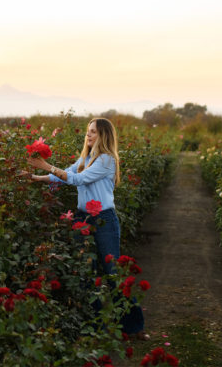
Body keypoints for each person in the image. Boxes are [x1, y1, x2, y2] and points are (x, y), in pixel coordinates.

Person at [19, 117, 148, 339]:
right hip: (84, 218)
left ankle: (133, 327)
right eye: (88, 131)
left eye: (93, 132)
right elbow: (64, 176)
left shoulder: (106, 160)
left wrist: (47, 165)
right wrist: (34, 176)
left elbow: (77, 180)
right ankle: (96, 327)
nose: (88, 135)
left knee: (113, 273)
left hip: (104, 220)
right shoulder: (85, 158)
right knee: (86, 272)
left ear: (104, 136)